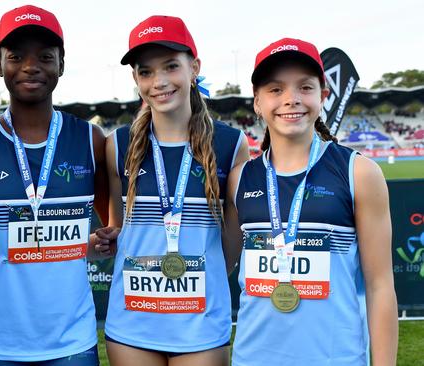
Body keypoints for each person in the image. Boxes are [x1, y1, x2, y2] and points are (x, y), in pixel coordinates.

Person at [0, 5, 108, 366]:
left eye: (45, 57)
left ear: (61, 65)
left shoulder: (90, 139)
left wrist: (99, 241)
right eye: (16, 56)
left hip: (72, 342)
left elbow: (114, 228)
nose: (31, 66)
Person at [225, 38, 398, 365]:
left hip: (336, 358)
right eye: (275, 90)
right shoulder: (239, 179)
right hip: (254, 358)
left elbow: (380, 285)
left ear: (323, 95)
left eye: (304, 87)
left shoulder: (359, 173)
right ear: (257, 102)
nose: (291, 99)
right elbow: (221, 263)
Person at [97, 15, 249, 366]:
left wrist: (197, 277)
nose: (159, 82)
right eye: (146, 72)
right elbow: (121, 229)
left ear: (194, 68)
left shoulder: (230, 143)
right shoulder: (117, 145)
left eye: (171, 66)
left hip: (200, 322)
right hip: (133, 319)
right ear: (135, 79)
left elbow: (229, 246)